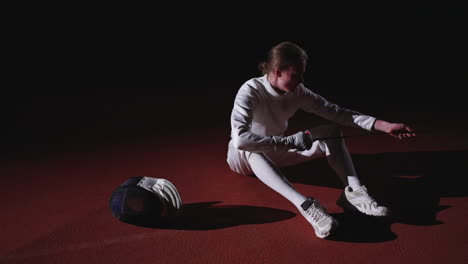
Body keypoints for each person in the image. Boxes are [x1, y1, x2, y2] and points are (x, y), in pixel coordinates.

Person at [226, 41, 416, 239]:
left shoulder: (297, 92)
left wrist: (384, 125)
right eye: (296, 75)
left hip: (277, 152)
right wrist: (288, 142)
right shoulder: (250, 90)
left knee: (331, 131)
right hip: (242, 158)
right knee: (252, 149)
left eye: (302, 74)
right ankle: (307, 206)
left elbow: (337, 113)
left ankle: (354, 193)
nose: (301, 80)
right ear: (277, 71)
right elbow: (240, 140)